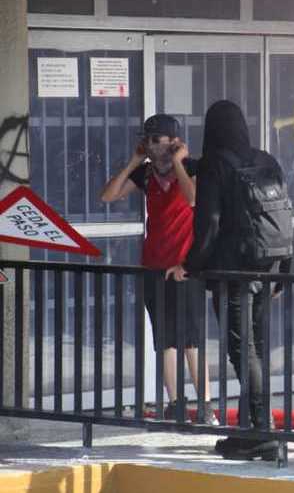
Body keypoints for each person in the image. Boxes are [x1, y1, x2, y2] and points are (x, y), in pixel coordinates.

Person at [167, 100, 293, 461]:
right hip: (267, 269)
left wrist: (189, 265)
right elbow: (285, 213)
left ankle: (264, 431)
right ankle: (250, 431)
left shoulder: (216, 167)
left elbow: (208, 224)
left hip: (233, 274)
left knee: (243, 350)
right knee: (253, 349)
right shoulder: (266, 160)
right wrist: (285, 268)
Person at [100, 114, 213, 422]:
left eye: (153, 140)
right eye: (146, 140)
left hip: (184, 264)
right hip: (154, 264)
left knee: (191, 337)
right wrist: (134, 162)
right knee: (165, 338)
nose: (148, 145)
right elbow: (107, 195)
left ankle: (204, 406)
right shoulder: (147, 174)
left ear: (171, 141)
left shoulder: (193, 167)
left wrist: (178, 161)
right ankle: (175, 403)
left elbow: (193, 199)